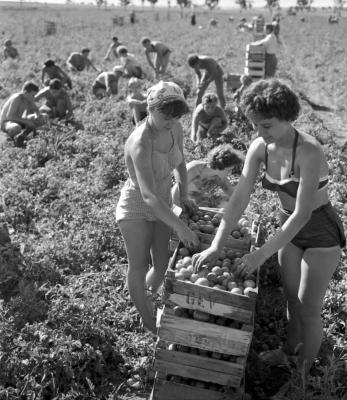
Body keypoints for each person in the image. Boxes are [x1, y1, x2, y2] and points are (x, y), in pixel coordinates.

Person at [192, 79, 346, 380]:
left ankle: (301, 377)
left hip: (318, 231)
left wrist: (260, 254)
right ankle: (288, 351)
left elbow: (302, 214)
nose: (259, 133)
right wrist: (216, 244)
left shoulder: (309, 152)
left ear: (289, 118)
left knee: (309, 308)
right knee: (291, 298)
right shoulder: (260, 147)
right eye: (255, 126)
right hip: (286, 224)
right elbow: (238, 200)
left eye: (266, 125)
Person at [116, 81, 199, 333]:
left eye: (175, 117)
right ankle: (147, 319)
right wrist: (182, 227)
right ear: (150, 108)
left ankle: (145, 296)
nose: (171, 121)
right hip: (137, 207)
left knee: (162, 265)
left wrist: (184, 195)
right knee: (139, 265)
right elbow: (148, 196)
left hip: (162, 202)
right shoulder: (140, 142)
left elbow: (181, 164)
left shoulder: (174, 129)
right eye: (165, 115)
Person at [172, 144, 244, 208]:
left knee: (226, 202)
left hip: (198, 207)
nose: (230, 173)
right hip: (182, 205)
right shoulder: (194, 169)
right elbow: (175, 192)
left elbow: (231, 193)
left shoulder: (219, 177)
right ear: (221, 166)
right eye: (229, 170)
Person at [0, 81, 44, 147]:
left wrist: (37, 116)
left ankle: (28, 135)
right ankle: (14, 141)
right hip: (7, 123)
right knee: (16, 127)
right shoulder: (17, 98)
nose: (34, 97)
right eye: (33, 95)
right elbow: (10, 116)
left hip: (19, 121)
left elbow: (36, 110)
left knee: (43, 117)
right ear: (25, 92)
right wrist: (27, 122)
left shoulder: (28, 99)